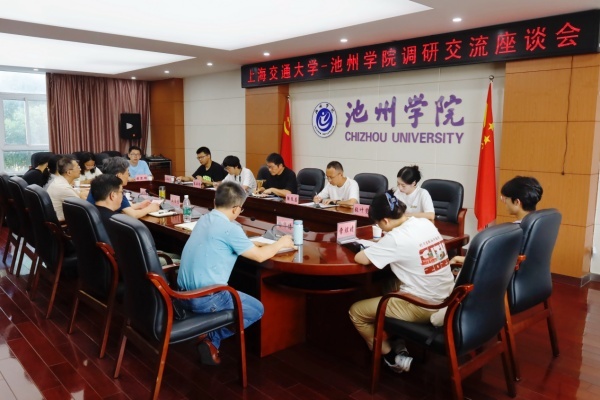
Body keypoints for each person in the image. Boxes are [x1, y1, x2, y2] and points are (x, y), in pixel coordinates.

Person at [177, 181, 294, 365]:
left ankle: (206, 335)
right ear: (236, 209)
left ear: (215, 201)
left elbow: (228, 242)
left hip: (181, 294)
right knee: (256, 309)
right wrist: (281, 243)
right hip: (205, 298)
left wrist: (254, 243)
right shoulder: (230, 229)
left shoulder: (204, 219)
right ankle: (210, 337)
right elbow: (259, 256)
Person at [349, 190, 454, 374]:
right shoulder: (424, 223)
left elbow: (361, 258)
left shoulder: (395, 238)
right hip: (447, 295)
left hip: (425, 305)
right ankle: (396, 339)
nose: (380, 228)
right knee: (385, 285)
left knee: (356, 311)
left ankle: (391, 357)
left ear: (385, 221)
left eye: (378, 224)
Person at [449, 176, 543, 265]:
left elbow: (494, 261)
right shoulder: (540, 222)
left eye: (505, 198)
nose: (504, 202)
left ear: (516, 202)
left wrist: (460, 259)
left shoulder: (514, 231)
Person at [87, 156, 160, 218]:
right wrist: (149, 209)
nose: (129, 175)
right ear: (119, 175)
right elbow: (133, 215)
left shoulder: (99, 183)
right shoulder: (115, 189)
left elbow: (124, 207)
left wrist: (140, 205)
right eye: (127, 172)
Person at [47, 155, 90, 220]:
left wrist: (82, 194)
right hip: (63, 222)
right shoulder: (63, 188)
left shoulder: (59, 180)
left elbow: (78, 196)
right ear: (69, 172)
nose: (80, 169)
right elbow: (84, 207)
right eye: (78, 167)